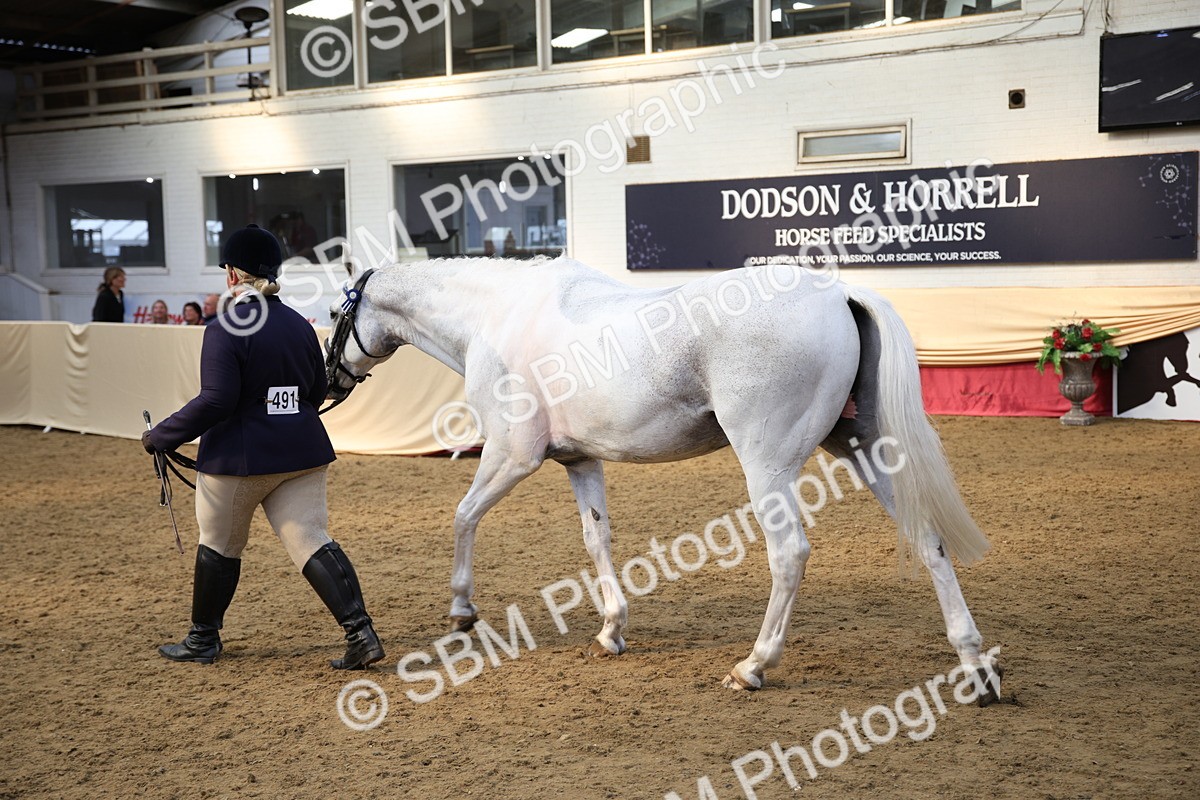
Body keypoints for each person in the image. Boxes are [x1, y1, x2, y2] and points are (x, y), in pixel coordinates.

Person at [142, 224, 384, 670]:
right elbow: (315, 391)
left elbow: (217, 399)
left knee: (219, 543)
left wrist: (162, 435)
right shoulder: (299, 325)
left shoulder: (223, 328)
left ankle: (203, 639)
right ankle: (360, 633)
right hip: (302, 453)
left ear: (233, 274)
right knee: (311, 539)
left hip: (240, 459)